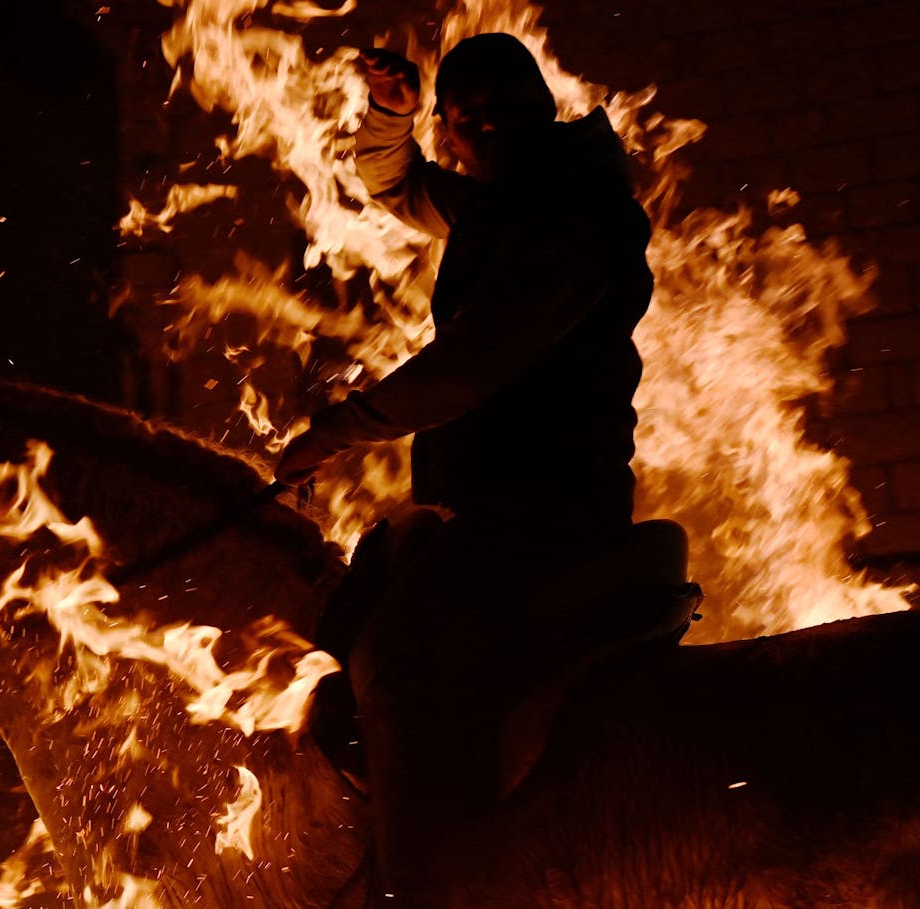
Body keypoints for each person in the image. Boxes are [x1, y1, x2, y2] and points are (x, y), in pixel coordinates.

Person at [275, 33, 656, 905]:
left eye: (496, 113)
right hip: (483, 505)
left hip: (548, 504)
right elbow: (395, 186)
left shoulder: (571, 210)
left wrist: (335, 433)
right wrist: (391, 117)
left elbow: (472, 367)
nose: (476, 131)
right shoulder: (498, 203)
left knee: (405, 663)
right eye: (461, 117)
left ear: (538, 111)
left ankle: (435, 884)